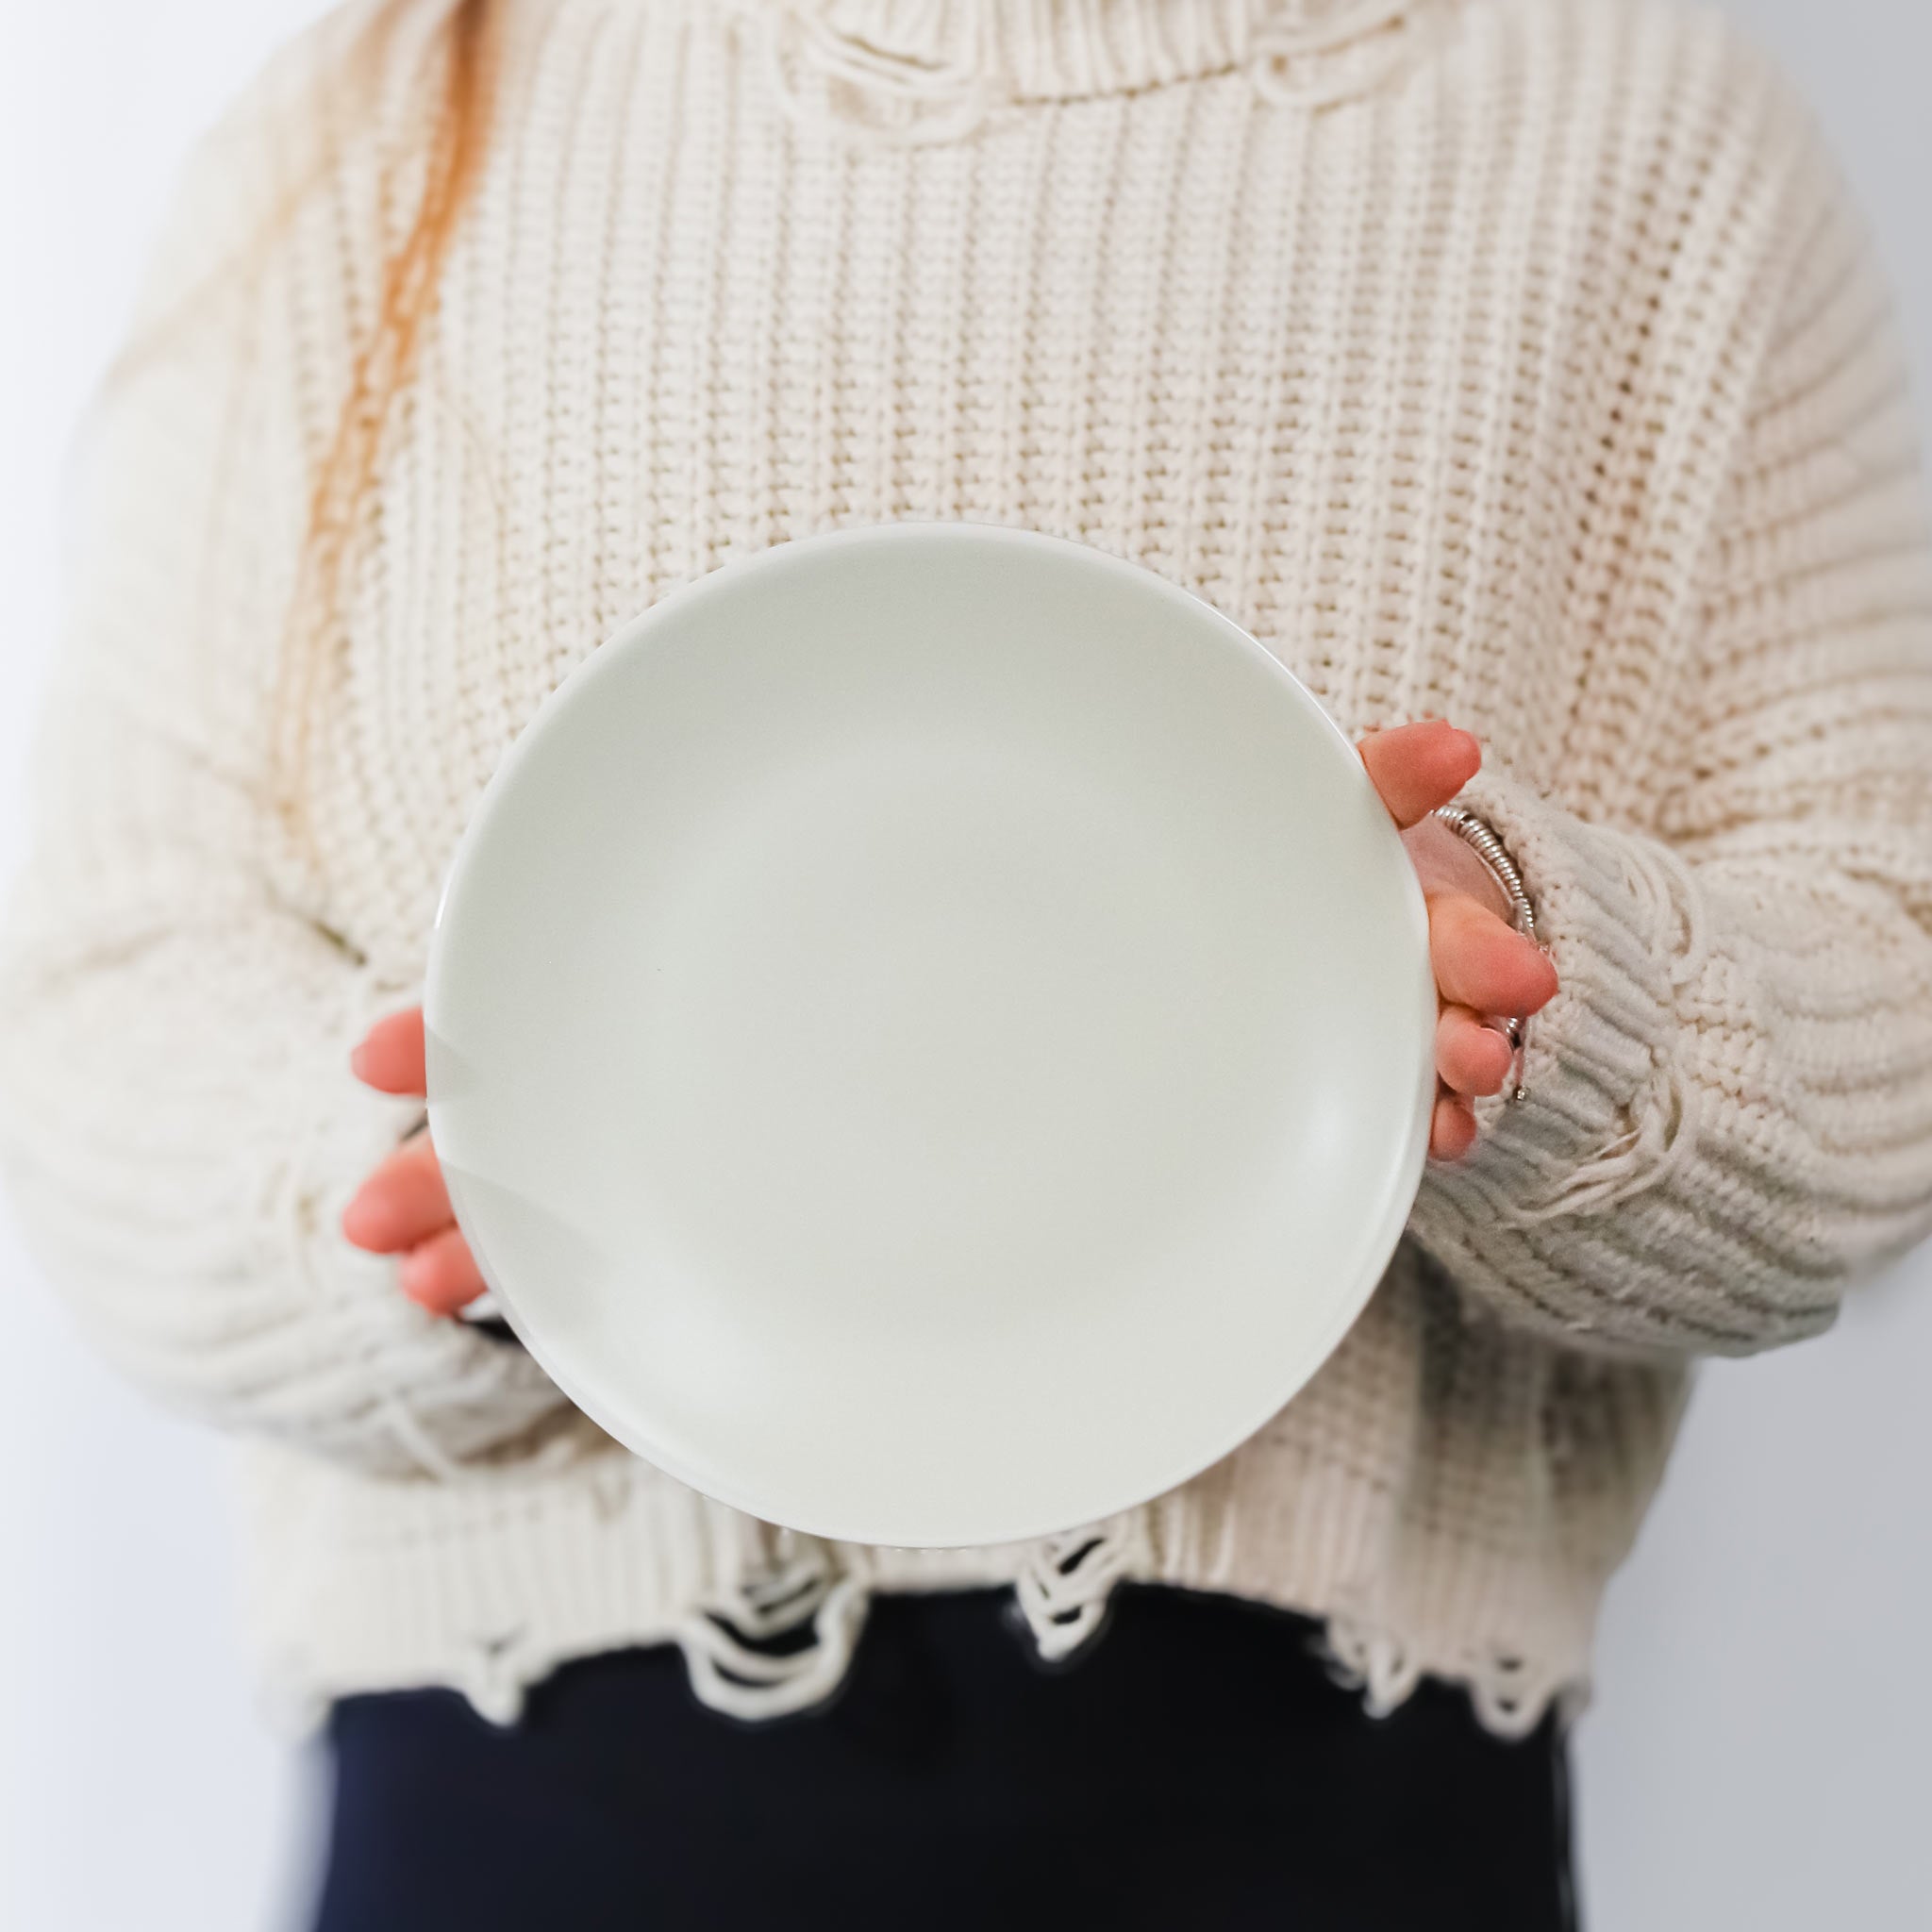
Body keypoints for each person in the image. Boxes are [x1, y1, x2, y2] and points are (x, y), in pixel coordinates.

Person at [3, 0, 1928, 1924]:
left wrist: (1532, 1004)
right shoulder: (373, 120)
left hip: (1320, 1807)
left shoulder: (1641, 129)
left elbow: (1890, 1002)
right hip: (530, 1806)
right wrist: (411, 1191)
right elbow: (100, 1004)